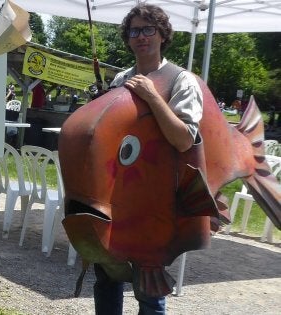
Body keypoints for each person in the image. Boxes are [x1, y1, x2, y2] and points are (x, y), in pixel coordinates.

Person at [97, 4, 204, 314]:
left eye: (148, 29)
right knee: (107, 274)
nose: (141, 37)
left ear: (162, 34)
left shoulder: (182, 81)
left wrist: (153, 95)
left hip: (157, 200)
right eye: (134, 31)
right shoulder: (120, 79)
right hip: (118, 194)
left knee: (150, 288)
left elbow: (184, 139)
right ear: (128, 38)